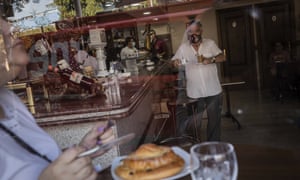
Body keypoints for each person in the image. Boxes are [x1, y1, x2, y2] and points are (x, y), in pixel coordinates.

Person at [0, 17, 114, 180]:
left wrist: (83, 149)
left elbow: (35, 160)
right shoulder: (50, 50)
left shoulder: (8, 101)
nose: (11, 27)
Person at [172, 20, 225, 141]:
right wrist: (175, 62)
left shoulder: (210, 44)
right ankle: (196, 147)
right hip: (194, 93)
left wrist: (210, 60)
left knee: (214, 122)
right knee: (195, 124)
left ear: (201, 31)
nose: (192, 34)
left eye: (195, 31)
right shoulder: (183, 48)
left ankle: (213, 146)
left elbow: (222, 57)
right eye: (190, 31)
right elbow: (173, 62)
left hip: (213, 91)